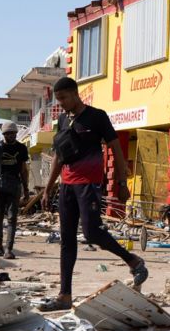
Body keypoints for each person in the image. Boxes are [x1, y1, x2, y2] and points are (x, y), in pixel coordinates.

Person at [38, 77, 147, 310]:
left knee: (92, 232)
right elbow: (59, 155)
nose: (62, 103)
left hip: (89, 184)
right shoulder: (63, 119)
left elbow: (115, 147)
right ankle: (64, 296)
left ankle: (133, 261)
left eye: (64, 98)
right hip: (67, 185)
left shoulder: (97, 116)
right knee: (67, 240)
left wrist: (121, 181)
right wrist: (48, 188)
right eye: (58, 100)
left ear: (76, 94)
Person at [0, 121, 30, 259]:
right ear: (4, 134)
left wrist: (26, 188)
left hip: (15, 186)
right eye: (9, 134)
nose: (12, 136)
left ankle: (8, 249)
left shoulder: (21, 148)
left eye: (14, 133)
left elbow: (23, 170)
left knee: (12, 218)